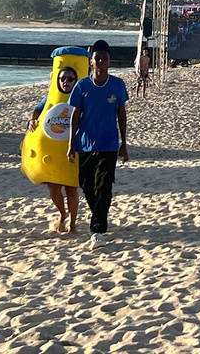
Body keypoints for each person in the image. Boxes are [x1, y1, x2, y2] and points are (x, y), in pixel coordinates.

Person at [67, 40, 129, 249]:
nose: (101, 61)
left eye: (105, 57)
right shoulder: (82, 86)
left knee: (104, 186)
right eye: (98, 57)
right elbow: (75, 115)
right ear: (91, 61)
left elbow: (121, 114)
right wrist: (70, 144)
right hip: (84, 144)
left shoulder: (118, 85)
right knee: (87, 186)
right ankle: (100, 217)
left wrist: (124, 144)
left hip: (109, 144)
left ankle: (97, 231)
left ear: (109, 61)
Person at [28, 66, 80, 233]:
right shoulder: (50, 97)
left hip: (73, 148)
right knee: (53, 186)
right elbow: (37, 109)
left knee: (71, 187)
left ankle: (72, 223)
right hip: (53, 150)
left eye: (70, 79)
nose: (66, 82)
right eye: (63, 78)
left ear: (76, 80)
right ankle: (62, 214)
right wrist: (32, 120)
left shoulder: (80, 96)